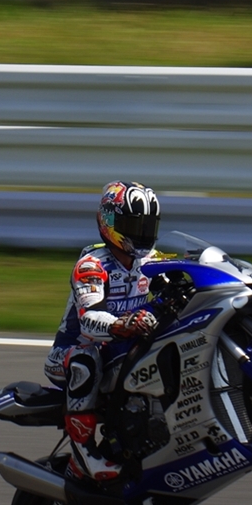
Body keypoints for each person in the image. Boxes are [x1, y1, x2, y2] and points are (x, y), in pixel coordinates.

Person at [44, 181, 162, 481]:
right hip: (70, 353)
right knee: (86, 360)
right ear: (110, 223)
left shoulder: (151, 260)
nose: (141, 234)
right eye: (134, 226)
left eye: (147, 226)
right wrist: (121, 324)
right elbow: (89, 320)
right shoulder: (92, 266)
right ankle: (83, 451)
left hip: (120, 349)